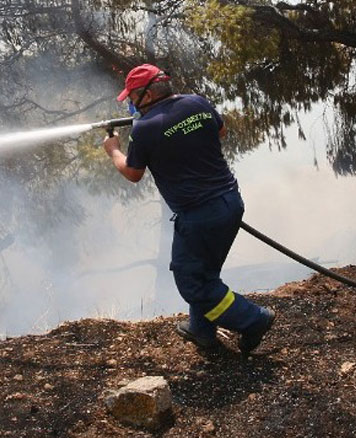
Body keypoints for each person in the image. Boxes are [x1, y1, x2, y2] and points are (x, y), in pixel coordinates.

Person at [102, 64, 275, 354]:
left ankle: (254, 319)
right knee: (205, 274)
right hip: (230, 203)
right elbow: (220, 130)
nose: (130, 102)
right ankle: (201, 330)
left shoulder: (145, 128)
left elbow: (133, 173)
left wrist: (114, 150)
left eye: (131, 95)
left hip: (199, 216)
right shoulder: (197, 102)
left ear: (146, 94)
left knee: (192, 283)